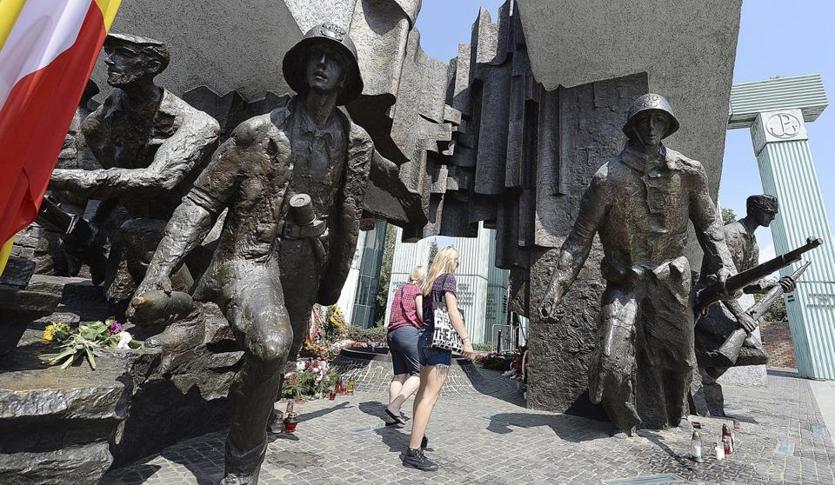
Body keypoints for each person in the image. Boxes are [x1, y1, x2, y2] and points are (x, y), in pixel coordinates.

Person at [128, 22, 417, 484]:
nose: (322, 64)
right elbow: (202, 201)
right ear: (301, 66)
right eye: (315, 55)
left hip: (309, 262)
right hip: (252, 255)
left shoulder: (356, 140)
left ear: (346, 76)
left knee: (277, 358)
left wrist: (410, 202)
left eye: (334, 58)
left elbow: (370, 183)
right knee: (271, 346)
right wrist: (159, 270)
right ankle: (241, 472)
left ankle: (248, 406)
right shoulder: (256, 132)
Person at [539, 93, 737, 436]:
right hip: (625, 282)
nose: (651, 127)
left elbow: (710, 224)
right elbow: (578, 240)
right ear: (631, 127)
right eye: (643, 120)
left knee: (680, 362)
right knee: (610, 360)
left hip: (671, 281)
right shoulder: (608, 177)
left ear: (668, 125)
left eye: (659, 120)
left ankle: (672, 420)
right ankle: (624, 423)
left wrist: (725, 264)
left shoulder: (689, 172)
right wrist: (555, 290)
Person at [49, 33, 220, 305]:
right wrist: (94, 224)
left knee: (162, 307)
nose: (110, 60)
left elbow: (159, 178)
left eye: (123, 54)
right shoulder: (104, 117)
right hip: (133, 226)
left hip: (190, 237)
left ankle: (189, 311)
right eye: (110, 52)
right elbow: (115, 178)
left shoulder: (197, 124)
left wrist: (50, 178)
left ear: (153, 66)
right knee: (114, 298)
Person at [403, 246, 474, 471]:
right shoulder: (448, 279)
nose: (457, 264)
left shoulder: (428, 282)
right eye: (457, 260)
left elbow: (423, 314)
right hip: (438, 342)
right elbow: (452, 311)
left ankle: (418, 435)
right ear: (450, 261)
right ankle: (413, 451)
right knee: (430, 397)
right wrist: (466, 340)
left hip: (423, 338)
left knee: (422, 393)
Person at [383, 266, 426, 425]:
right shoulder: (417, 290)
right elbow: (420, 314)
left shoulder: (400, 290)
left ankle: (391, 416)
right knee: (419, 373)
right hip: (407, 333)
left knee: (399, 375)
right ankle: (395, 406)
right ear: (422, 278)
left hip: (392, 334)